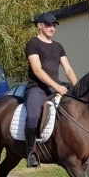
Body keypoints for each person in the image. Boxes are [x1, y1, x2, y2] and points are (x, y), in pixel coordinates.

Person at [23, 12, 78, 167]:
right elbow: (37, 70)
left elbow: (68, 69)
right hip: (37, 88)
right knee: (33, 117)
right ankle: (30, 151)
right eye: (48, 24)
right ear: (40, 25)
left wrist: (77, 86)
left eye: (54, 25)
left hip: (57, 87)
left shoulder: (58, 47)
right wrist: (57, 86)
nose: (52, 28)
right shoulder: (33, 44)